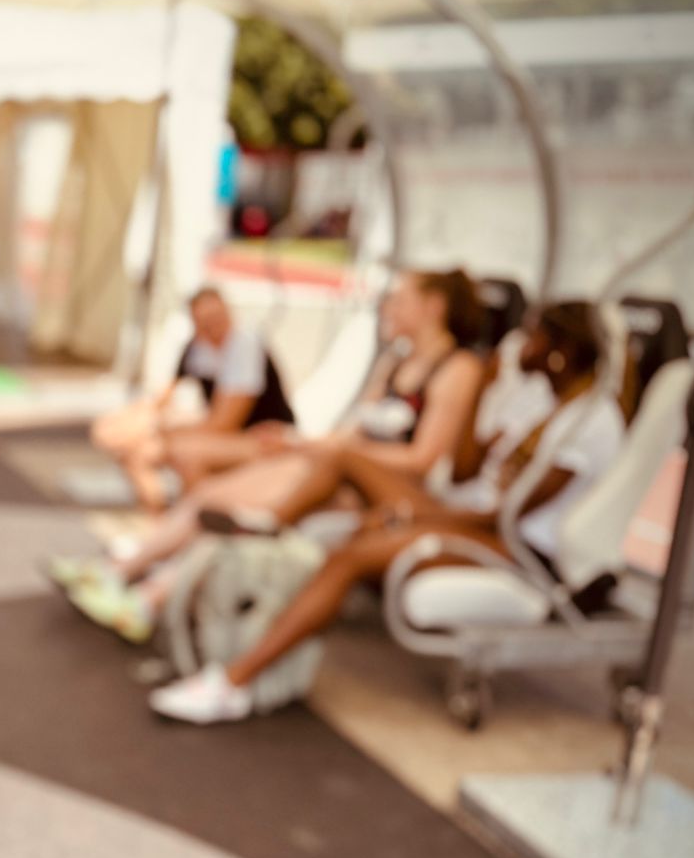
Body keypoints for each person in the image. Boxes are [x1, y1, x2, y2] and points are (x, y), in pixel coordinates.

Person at [151, 301, 622, 723]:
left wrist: (412, 519)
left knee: (351, 555)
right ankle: (268, 525)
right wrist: (484, 387)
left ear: (561, 350)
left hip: (518, 551)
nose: (520, 345)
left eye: (534, 336)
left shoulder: (590, 423)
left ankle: (232, 684)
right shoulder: (538, 406)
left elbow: (506, 517)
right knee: (345, 461)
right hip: (471, 516)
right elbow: (464, 472)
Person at [55, 269, 487, 642]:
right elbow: (349, 433)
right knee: (213, 496)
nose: (389, 307)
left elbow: (423, 460)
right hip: (339, 469)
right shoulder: (395, 361)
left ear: (433, 306)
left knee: (241, 509)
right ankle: (124, 572)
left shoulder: (457, 368)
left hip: (380, 490)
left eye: (400, 299)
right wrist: (300, 441)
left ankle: (150, 595)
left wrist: (337, 452)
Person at [92, 287, 294, 509]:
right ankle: (162, 518)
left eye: (217, 318)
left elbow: (225, 423)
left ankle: (192, 519)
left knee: (185, 454)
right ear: (196, 323)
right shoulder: (197, 349)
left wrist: (158, 431)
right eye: (206, 322)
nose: (214, 327)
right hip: (229, 433)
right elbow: (164, 399)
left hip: (265, 436)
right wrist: (136, 421)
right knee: (135, 452)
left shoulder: (245, 345)